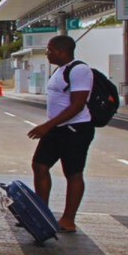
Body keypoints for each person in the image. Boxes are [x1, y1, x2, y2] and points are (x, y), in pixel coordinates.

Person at [28, 35, 94, 233]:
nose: (47, 54)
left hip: (75, 129)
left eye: (50, 50)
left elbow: (77, 105)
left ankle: (68, 219)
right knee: (39, 165)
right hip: (57, 128)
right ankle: (42, 213)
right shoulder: (60, 70)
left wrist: (47, 126)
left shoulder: (80, 70)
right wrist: (51, 126)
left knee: (73, 172)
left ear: (61, 51)